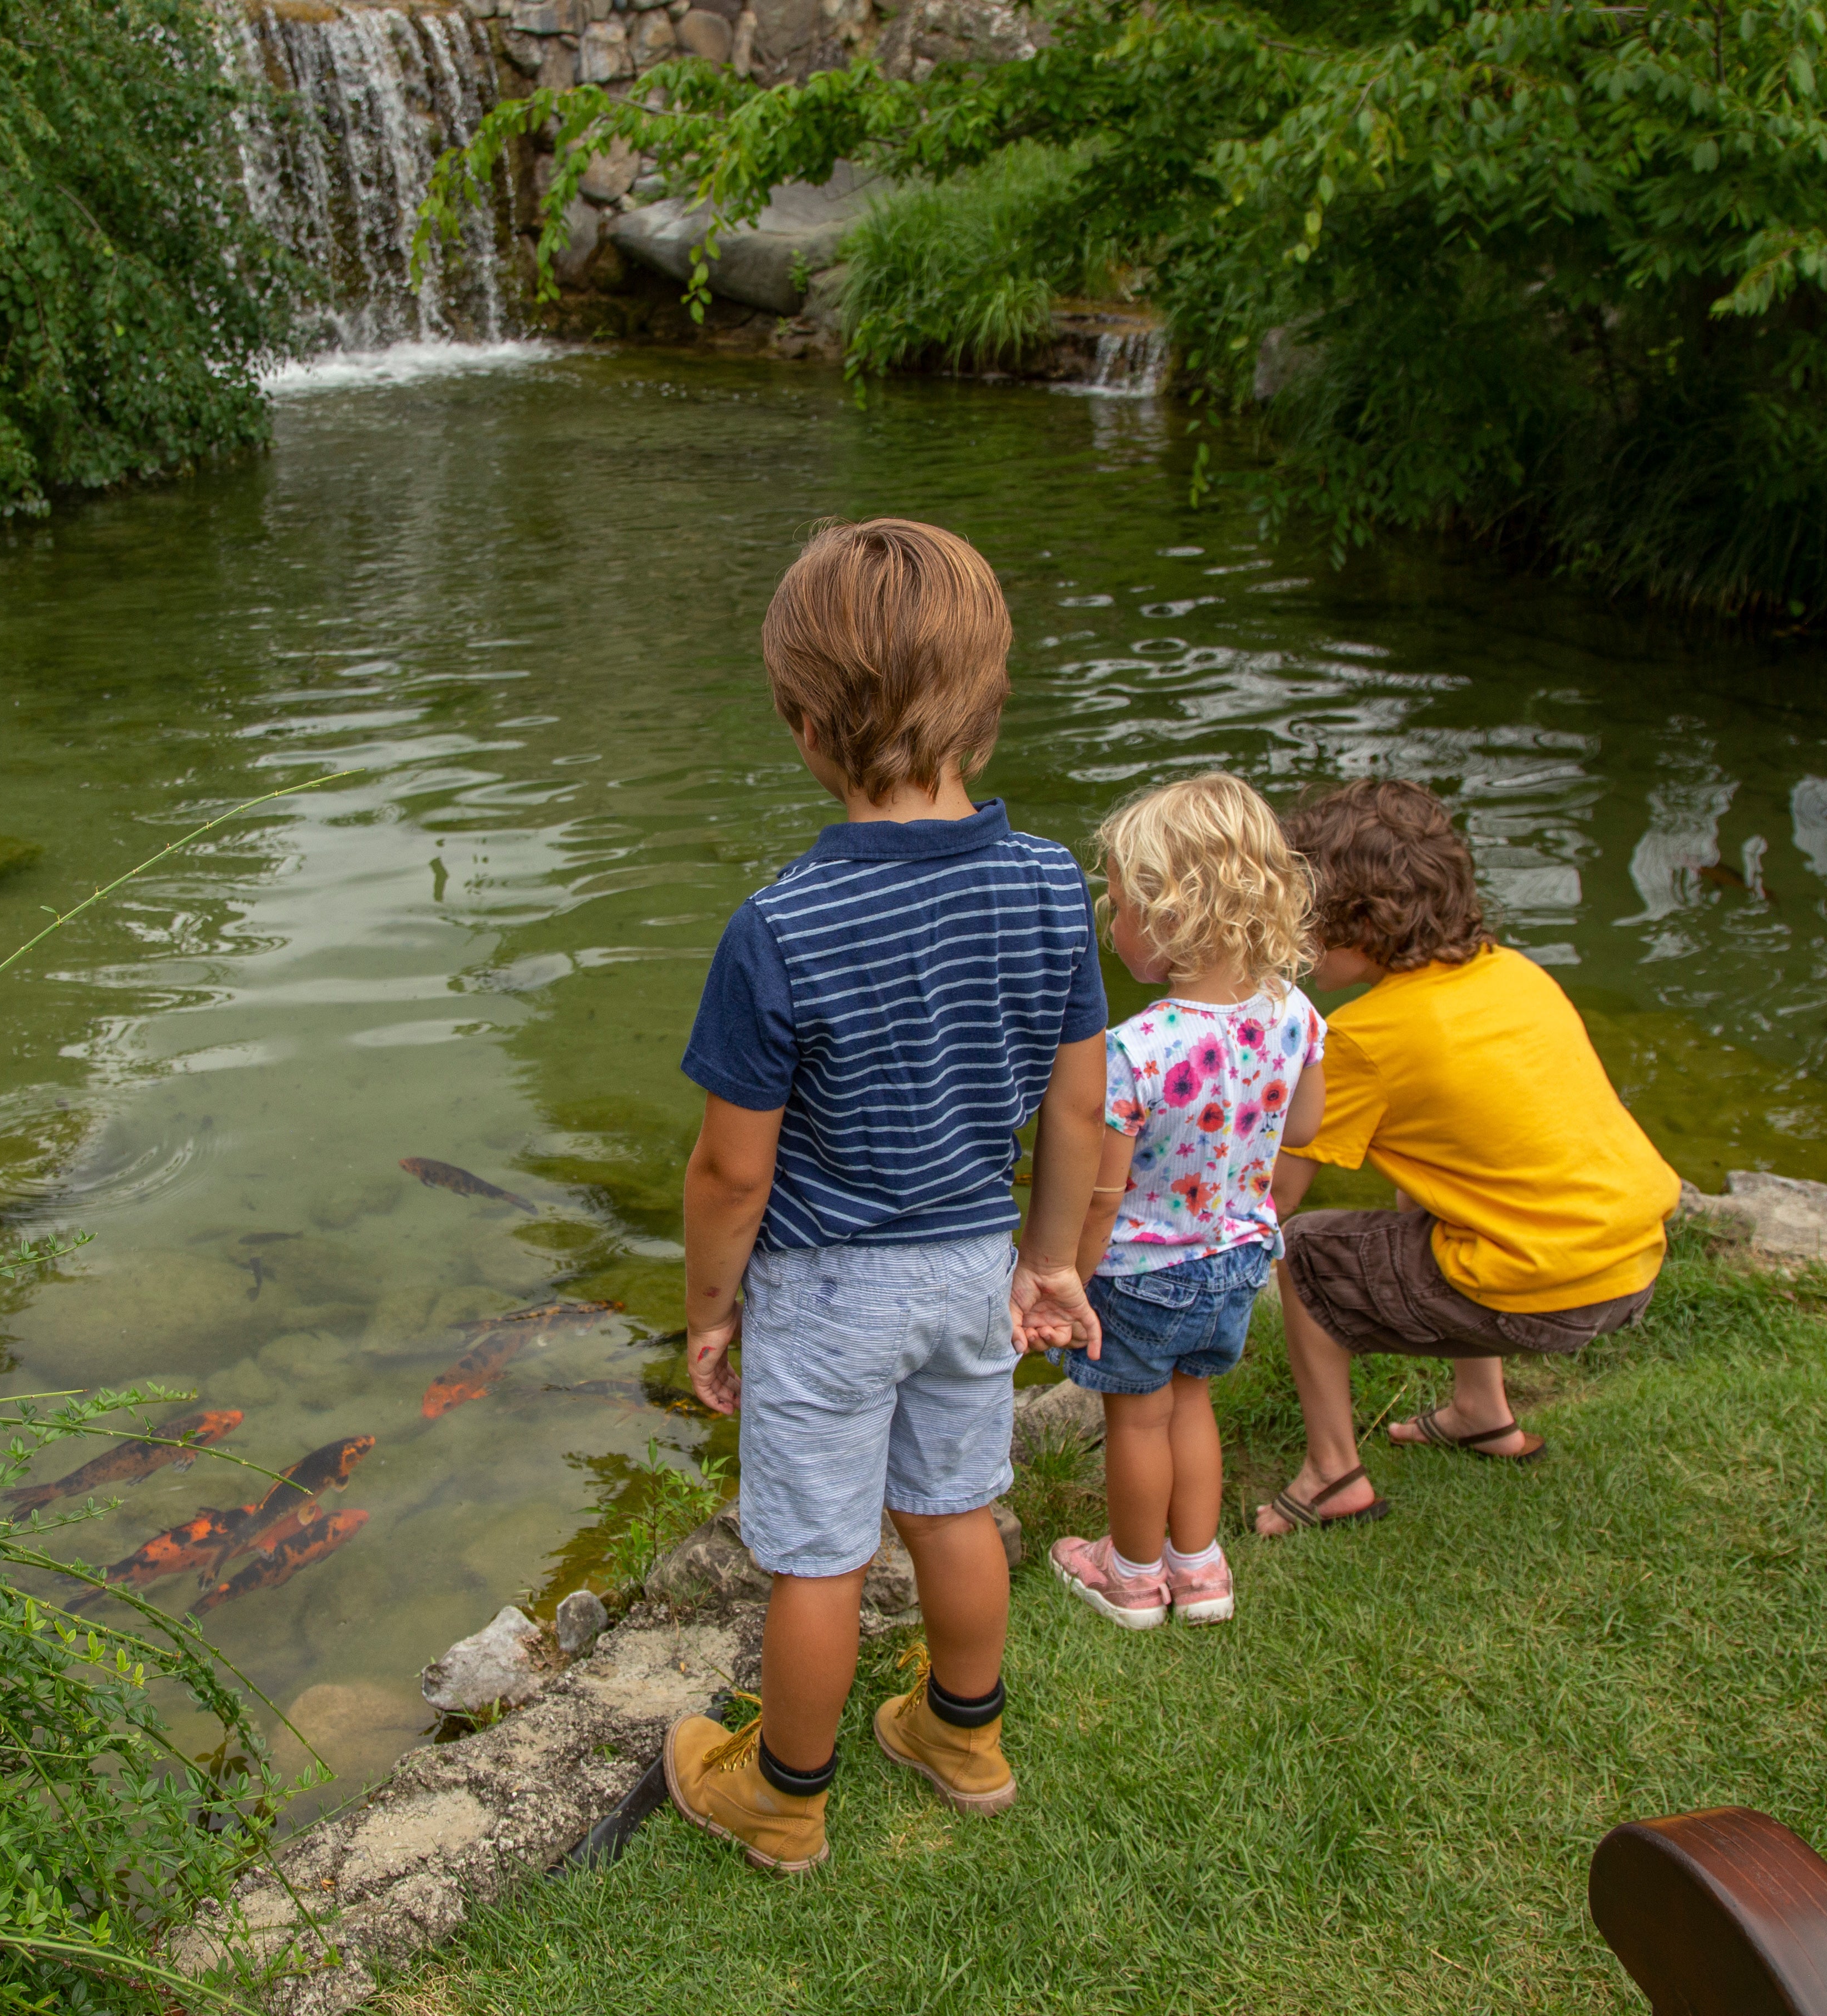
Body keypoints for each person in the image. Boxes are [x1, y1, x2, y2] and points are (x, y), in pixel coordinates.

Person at [665, 517, 1109, 1876]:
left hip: (829, 1287)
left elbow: (734, 1169)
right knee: (954, 1510)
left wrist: (706, 1313)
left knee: (819, 1556)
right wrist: (1050, 1262)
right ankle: (962, 1737)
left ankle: (784, 1797)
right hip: (975, 1261)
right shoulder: (1047, 886)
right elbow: (1081, 1108)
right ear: (991, 700)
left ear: (802, 722)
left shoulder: (781, 927)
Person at [1256, 779, 1681, 1536]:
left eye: (1306, 916)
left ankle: (1332, 1476)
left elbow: (1276, 1196)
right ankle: (1483, 1414)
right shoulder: (1515, 974)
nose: (1295, 934)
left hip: (1548, 1288)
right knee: (1419, 1184)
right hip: (1634, 1259)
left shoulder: (1367, 1038)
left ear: (1358, 922)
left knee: (1306, 1254)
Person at [1044, 775, 1324, 1629]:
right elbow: (1304, 1129)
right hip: (1237, 1259)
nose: (1112, 925)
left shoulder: (1135, 1050)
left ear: (1172, 917)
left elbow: (1102, 1196)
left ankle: (1129, 1575)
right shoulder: (1296, 1014)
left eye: (1123, 908)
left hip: (1142, 1271)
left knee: (1137, 1420)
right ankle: (1201, 1572)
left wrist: (1067, 1281)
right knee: (1193, 1403)